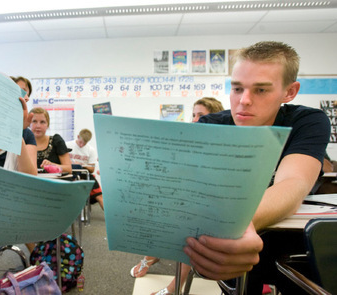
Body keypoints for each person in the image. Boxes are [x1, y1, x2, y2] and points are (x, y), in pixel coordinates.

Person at [198, 41, 330, 293]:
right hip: (226, 240)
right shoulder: (211, 124)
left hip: (288, 241)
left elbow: (293, 183)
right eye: (237, 88)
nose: (243, 101)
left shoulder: (307, 121)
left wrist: (234, 224)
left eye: (260, 90)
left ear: (289, 91)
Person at [131, 97, 225, 295]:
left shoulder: (222, 147)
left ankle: (174, 287)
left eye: (201, 115)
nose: (195, 119)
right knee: (162, 213)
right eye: (194, 115)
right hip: (190, 202)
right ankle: (151, 256)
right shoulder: (191, 144)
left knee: (191, 229)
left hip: (213, 210)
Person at [66, 128, 104, 210]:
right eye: (80, 142)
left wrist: (82, 165)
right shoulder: (67, 145)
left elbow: (92, 169)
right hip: (70, 173)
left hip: (85, 174)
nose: (81, 145)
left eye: (84, 143)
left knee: (100, 196)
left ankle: (111, 218)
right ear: (78, 136)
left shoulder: (90, 150)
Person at [29, 107, 72, 173]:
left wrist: (53, 165)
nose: (38, 126)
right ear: (29, 123)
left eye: (42, 122)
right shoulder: (23, 143)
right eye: (34, 121)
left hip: (53, 182)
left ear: (47, 125)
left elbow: (69, 169)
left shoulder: (56, 141)